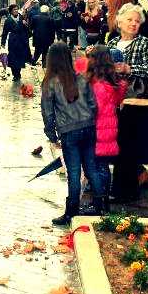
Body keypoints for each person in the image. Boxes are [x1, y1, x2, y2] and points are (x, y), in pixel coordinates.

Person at [41, 42, 105, 225]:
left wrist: (52, 135)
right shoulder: (82, 78)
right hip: (88, 129)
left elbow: (47, 112)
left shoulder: (50, 83)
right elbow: (93, 105)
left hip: (69, 132)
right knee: (91, 168)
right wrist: (90, 122)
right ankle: (101, 207)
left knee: (74, 172)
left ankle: (71, 212)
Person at [106, 3, 148, 203]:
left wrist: (130, 69)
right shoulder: (111, 43)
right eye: (129, 20)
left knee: (128, 146)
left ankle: (124, 191)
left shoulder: (143, 43)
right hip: (113, 101)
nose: (133, 24)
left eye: (137, 21)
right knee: (117, 145)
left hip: (133, 102)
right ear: (119, 21)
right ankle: (121, 187)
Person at [86, 45, 127, 208]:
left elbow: (95, 109)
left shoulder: (98, 85)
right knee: (102, 165)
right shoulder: (113, 82)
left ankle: (100, 201)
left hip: (99, 129)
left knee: (98, 166)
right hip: (109, 127)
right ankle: (103, 200)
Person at [2, 4, 32, 81]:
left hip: (21, 41)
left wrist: (26, 24)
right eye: (14, 9)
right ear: (11, 11)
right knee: (12, 59)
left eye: (17, 9)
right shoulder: (8, 20)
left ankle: (18, 73)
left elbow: (28, 30)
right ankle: (15, 74)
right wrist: (2, 43)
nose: (16, 11)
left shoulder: (22, 18)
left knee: (19, 59)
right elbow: (4, 32)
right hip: (13, 41)